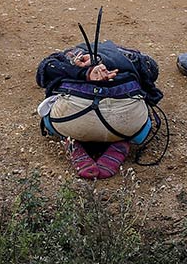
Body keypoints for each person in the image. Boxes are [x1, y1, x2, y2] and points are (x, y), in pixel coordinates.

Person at [37, 35, 164, 179]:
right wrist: (112, 62)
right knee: (144, 124)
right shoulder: (130, 57)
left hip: (71, 119)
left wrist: (83, 73)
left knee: (47, 116)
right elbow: (152, 70)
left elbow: (44, 70)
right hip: (126, 124)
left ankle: (72, 142)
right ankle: (121, 144)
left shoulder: (69, 56)